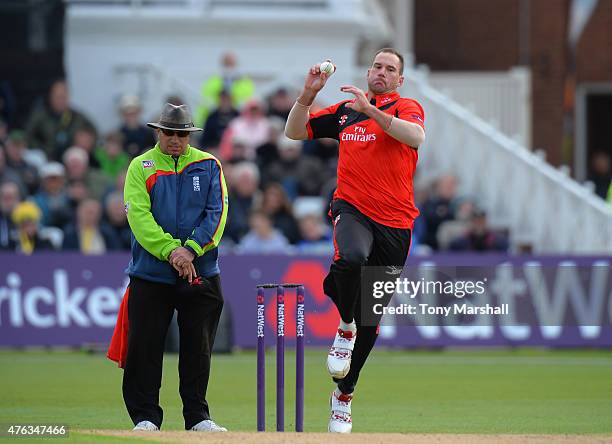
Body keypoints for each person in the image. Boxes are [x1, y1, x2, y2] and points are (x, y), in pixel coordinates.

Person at [285, 48, 425, 433]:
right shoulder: (346, 111)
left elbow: (416, 136)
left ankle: (343, 395)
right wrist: (308, 94)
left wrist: (375, 111)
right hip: (353, 209)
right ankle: (343, 325)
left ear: (400, 80)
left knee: (371, 320)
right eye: (377, 66)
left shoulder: (406, 107)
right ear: (368, 71)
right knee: (350, 259)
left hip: (396, 225)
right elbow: (294, 131)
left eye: (390, 69)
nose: (382, 73)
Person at [109, 103, 228, 433]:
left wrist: (189, 250)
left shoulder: (208, 164)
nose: (176, 139)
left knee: (198, 348)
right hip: (152, 272)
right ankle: (145, 417)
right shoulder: (141, 166)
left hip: (200, 270)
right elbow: (139, 217)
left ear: (189, 134)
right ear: (157, 132)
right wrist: (171, 251)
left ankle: (198, 417)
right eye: (170, 133)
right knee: (144, 347)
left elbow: (216, 215)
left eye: (182, 134)